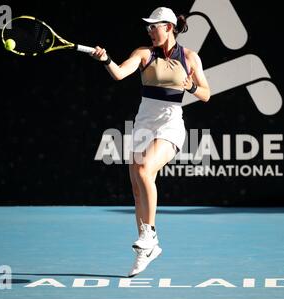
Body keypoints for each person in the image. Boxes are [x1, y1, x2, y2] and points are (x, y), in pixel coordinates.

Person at [90, 7, 210, 277]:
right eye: (148, 27)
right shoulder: (144, 54)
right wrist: (106, 58)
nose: (150, 31)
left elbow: (206, 94)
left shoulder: (190, 57)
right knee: (136, 187)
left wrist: (190, 86)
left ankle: (150, 233)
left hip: (170, 124)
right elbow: (120, 73)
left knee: (145, 170)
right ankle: (145, 253)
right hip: (144, 124)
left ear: (169, 27)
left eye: (154, 26)